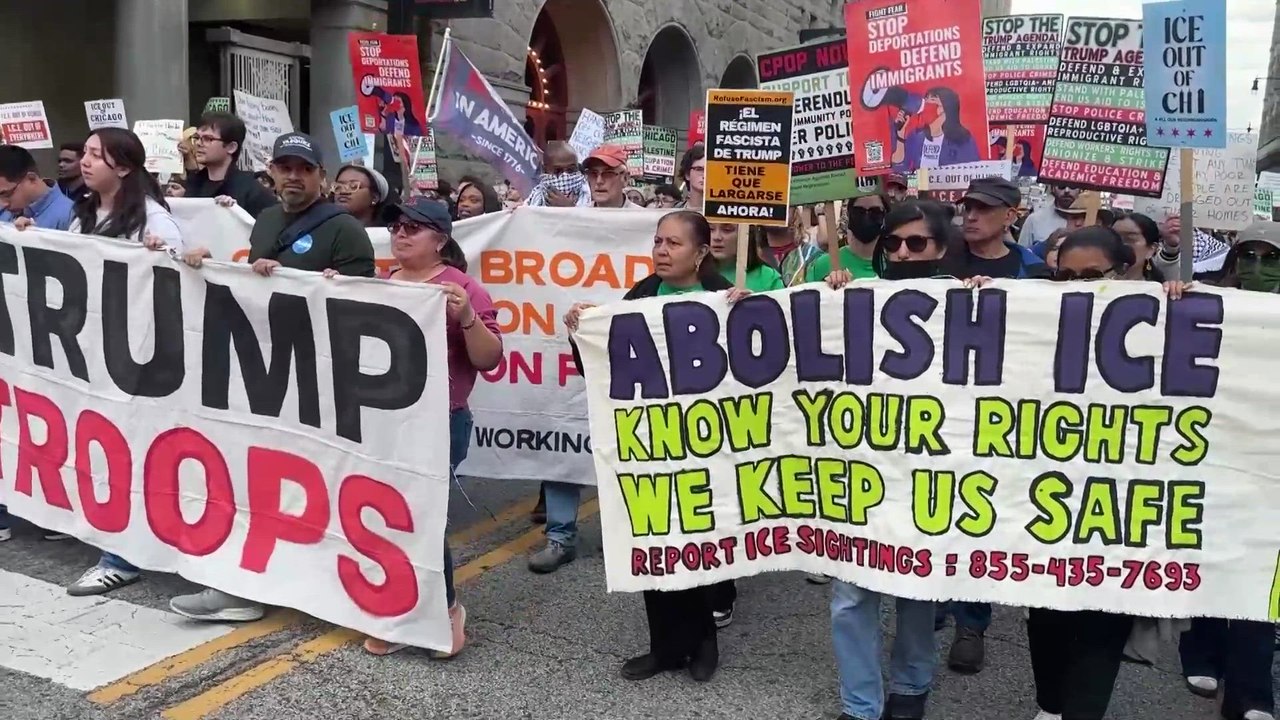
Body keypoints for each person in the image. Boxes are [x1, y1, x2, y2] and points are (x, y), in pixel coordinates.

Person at [171, 132, 375, 621]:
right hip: (264, 373)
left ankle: (312, 580)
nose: (293, 177)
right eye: (285, 168)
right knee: (257, 476)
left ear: (320, 177)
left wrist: (321, 285)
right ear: (273, 174)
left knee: (308, 485)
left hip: (317, 380)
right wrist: (207, 266)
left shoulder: (344, 230)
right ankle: (246, 584)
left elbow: (368, 305)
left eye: (303, 169)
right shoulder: (263, 221)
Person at [562, 210, 750, 682]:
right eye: (658, 242)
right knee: (656, 545)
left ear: (702, 252)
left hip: (708, 445)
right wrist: (580, 331)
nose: (662, 251)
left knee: (701, 547)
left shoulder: (723, 299)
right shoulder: (643, 294)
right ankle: (665, 647)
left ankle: (704, 641)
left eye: (674, 244)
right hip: (652, 445)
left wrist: (750, 317)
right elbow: (608, 364)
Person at [1022, 225, 1186, 720]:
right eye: (1066, 276)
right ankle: (1050, 706)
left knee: (1101, 620)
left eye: (1092, 275)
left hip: (1116, 510)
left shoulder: (1161, 315)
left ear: (1127, 268)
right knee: (1046, 616)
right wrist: (975, 299)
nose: (1078, 287)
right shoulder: (1036, 316)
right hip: (1045, 499)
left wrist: (1183, 301)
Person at [822, 201, 968, 720]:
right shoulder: (853, 295)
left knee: (917, 594)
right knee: (851, 597)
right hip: (862, 472)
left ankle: (910, 691)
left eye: (917, 243)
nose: (903, 252)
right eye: (894, 244)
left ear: (942, 248)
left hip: (931, 475)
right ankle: (860, 705)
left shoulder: (969, 300)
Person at [357, 196, 503, 658]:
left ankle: (443, 610)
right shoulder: (383, 283)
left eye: (414, 228)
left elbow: (491, 358)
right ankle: (398, 610)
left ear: (440, 240)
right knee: (390, 514)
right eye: (397, 226)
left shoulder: (464, 289)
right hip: (387, 419)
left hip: (442, 420)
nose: (401, 234)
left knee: (422, 517)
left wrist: (466, 318)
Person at [56, 127, 185, 596]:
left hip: (137, 361)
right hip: (91, 353)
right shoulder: (83, 214)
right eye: (85, 153)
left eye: (96, 155)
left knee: (126, 453)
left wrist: (167, 257)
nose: (84, 162)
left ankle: (123, 556)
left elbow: (184, 284)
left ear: (125, 168)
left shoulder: (154, 221)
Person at [951, 176, 1048, 282]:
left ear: (1009, 216)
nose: (970, 217)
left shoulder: (1034, 271)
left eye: (983, 208)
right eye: (967, 208)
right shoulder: (940, 263)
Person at [184, 111, 278, 218]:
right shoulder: (194, 183)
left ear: (231, 147)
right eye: (197, 137)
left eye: (208, 139)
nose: (198, 143)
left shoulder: (251, 190)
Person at [805, 193, 890, 283]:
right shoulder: (823, 265)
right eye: (859, 212)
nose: (866, 217)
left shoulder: (895, 264)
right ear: (849, 215)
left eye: (875, 212)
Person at [0, 144, 76, 230]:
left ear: (31, 179)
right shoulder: (3, 211)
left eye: (6, 194)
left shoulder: (71, 216)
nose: (3, 204)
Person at [708, 222, 784, 292]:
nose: (716, 237)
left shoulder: (768, 278)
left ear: (747, 234)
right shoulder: (696, 275)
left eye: (727, 230)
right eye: (710, 229)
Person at [526, 141, 591, 207]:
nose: (565, 176)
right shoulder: (534, 201)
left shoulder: (589, 196)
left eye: (570, 170)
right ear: (545, 171)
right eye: (557, 171)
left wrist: (569, 208)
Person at [1019, 185, 1085, 248]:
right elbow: (1021, 254)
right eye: (1061, 186)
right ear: (1052, 188)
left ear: (1080, 189)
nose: (1067, 190)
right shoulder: (1034, 219)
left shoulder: (1091, 219)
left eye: (1072, 186)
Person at [579, 145, 641, 210]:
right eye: (593, 174)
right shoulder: (578, 217)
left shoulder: (644, 218)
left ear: (625, 179)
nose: (599, 181)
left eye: (608, 174)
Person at [1112, 212, 1168, 281]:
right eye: (1113, 239)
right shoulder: (1096, 285)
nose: (1120, 245)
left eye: (1129, 239)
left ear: (1151, 249)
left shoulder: (1159, 289)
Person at [676, 145, 705, 211]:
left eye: (711, 170)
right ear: (687, 174)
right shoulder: (673, 212)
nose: (705, 175)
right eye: (699, 169)